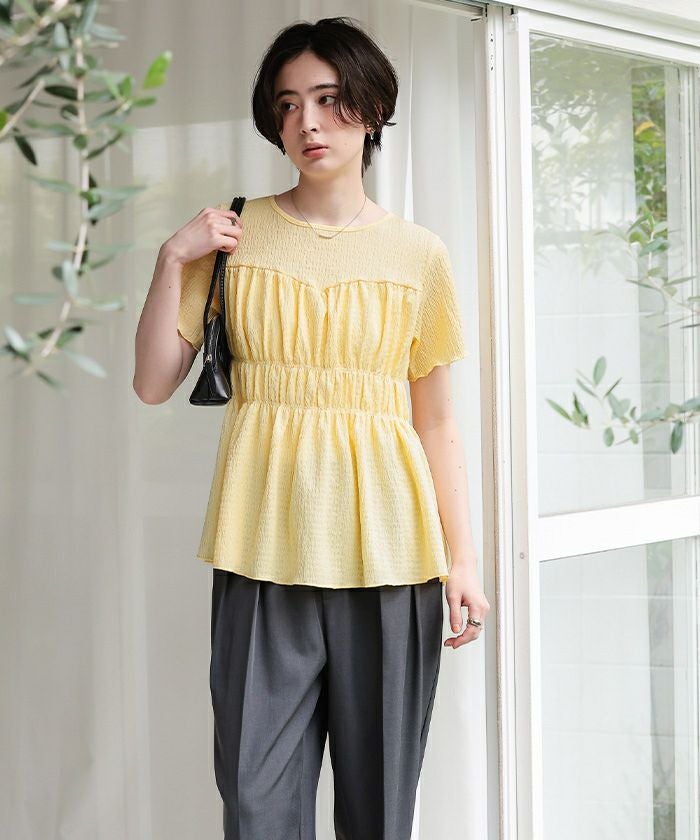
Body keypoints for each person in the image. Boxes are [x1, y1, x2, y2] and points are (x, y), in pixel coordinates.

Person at [133, 15, 489, 840]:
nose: (308, 123)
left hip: (392, 556)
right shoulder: (232, 237)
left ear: (373, 108)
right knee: (256, 805)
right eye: (289, 104)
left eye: (329, 100)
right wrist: (171, 259)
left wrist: (463, 562)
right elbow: (152, 383)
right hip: (262, 549)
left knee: (380, 807)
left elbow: (436, 422)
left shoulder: (419, 255)